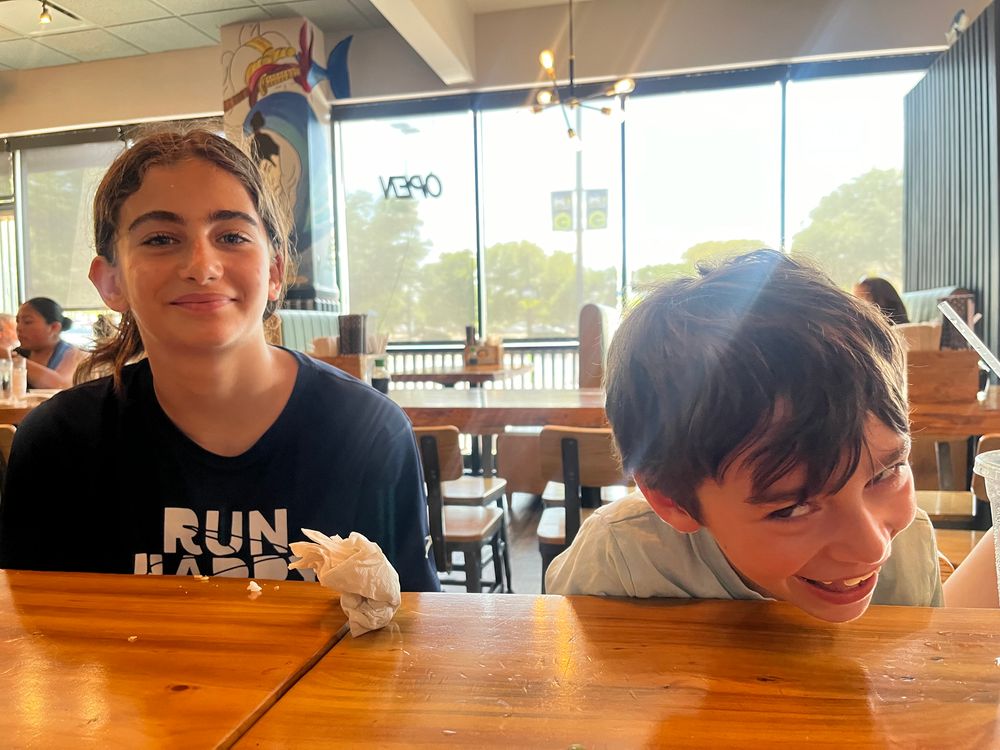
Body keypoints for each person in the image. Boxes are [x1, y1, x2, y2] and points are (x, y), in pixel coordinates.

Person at [0, 128, 440, 591]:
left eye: (231, 235)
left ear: (274, 272)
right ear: (111, 282)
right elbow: (33, 643)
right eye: (159, 239)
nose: (202, 266)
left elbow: (409, 628)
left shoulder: (367, 430)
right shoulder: (58, 445)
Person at [546, 250, 997, 621]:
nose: (873, 546)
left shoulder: (908, 546)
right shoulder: (620, 558)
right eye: (793, 507)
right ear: (670, 499)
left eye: (886, 473)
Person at [13, 297, 83, 389]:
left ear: (54, 327)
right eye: (18, 321)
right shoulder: (17, 353)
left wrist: (14, 360)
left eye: (27, 322)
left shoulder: (73, 354)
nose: (19, 328)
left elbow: (61, 385)